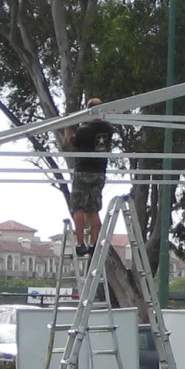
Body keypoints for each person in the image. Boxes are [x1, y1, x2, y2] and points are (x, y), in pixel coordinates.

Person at [60, 98, 115, 254]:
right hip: (99, 171)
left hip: (83, 170)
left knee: (79, 207)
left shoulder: (84, 130)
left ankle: (80, 244)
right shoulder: (108, 129)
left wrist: (68, 127)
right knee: (93, 208)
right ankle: (95, 243)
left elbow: (72, 143)